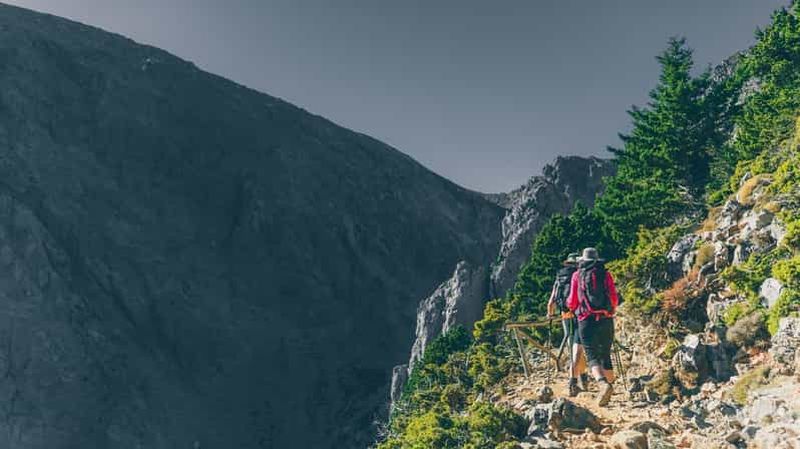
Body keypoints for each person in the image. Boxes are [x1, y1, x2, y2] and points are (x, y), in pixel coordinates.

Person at [567, 247, 619, 406]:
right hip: (605, 318)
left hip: (586, 320)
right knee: (605, 353)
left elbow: (572, 301)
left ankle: (603, 384)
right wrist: (609, 310)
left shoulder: (577, 275)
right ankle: (611, 389)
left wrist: (572, 309)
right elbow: (614, 299)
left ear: (583, 260)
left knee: (591, 355)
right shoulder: (606, 274)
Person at [547, 252, 588, 397]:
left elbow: (551, 301)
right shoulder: (581, 275)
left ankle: (579, 379)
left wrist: (550, 315)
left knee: (573, 348)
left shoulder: (560, 277)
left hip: (565, 316)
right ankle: (582, 378)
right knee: (580, 347)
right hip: (580, 315)